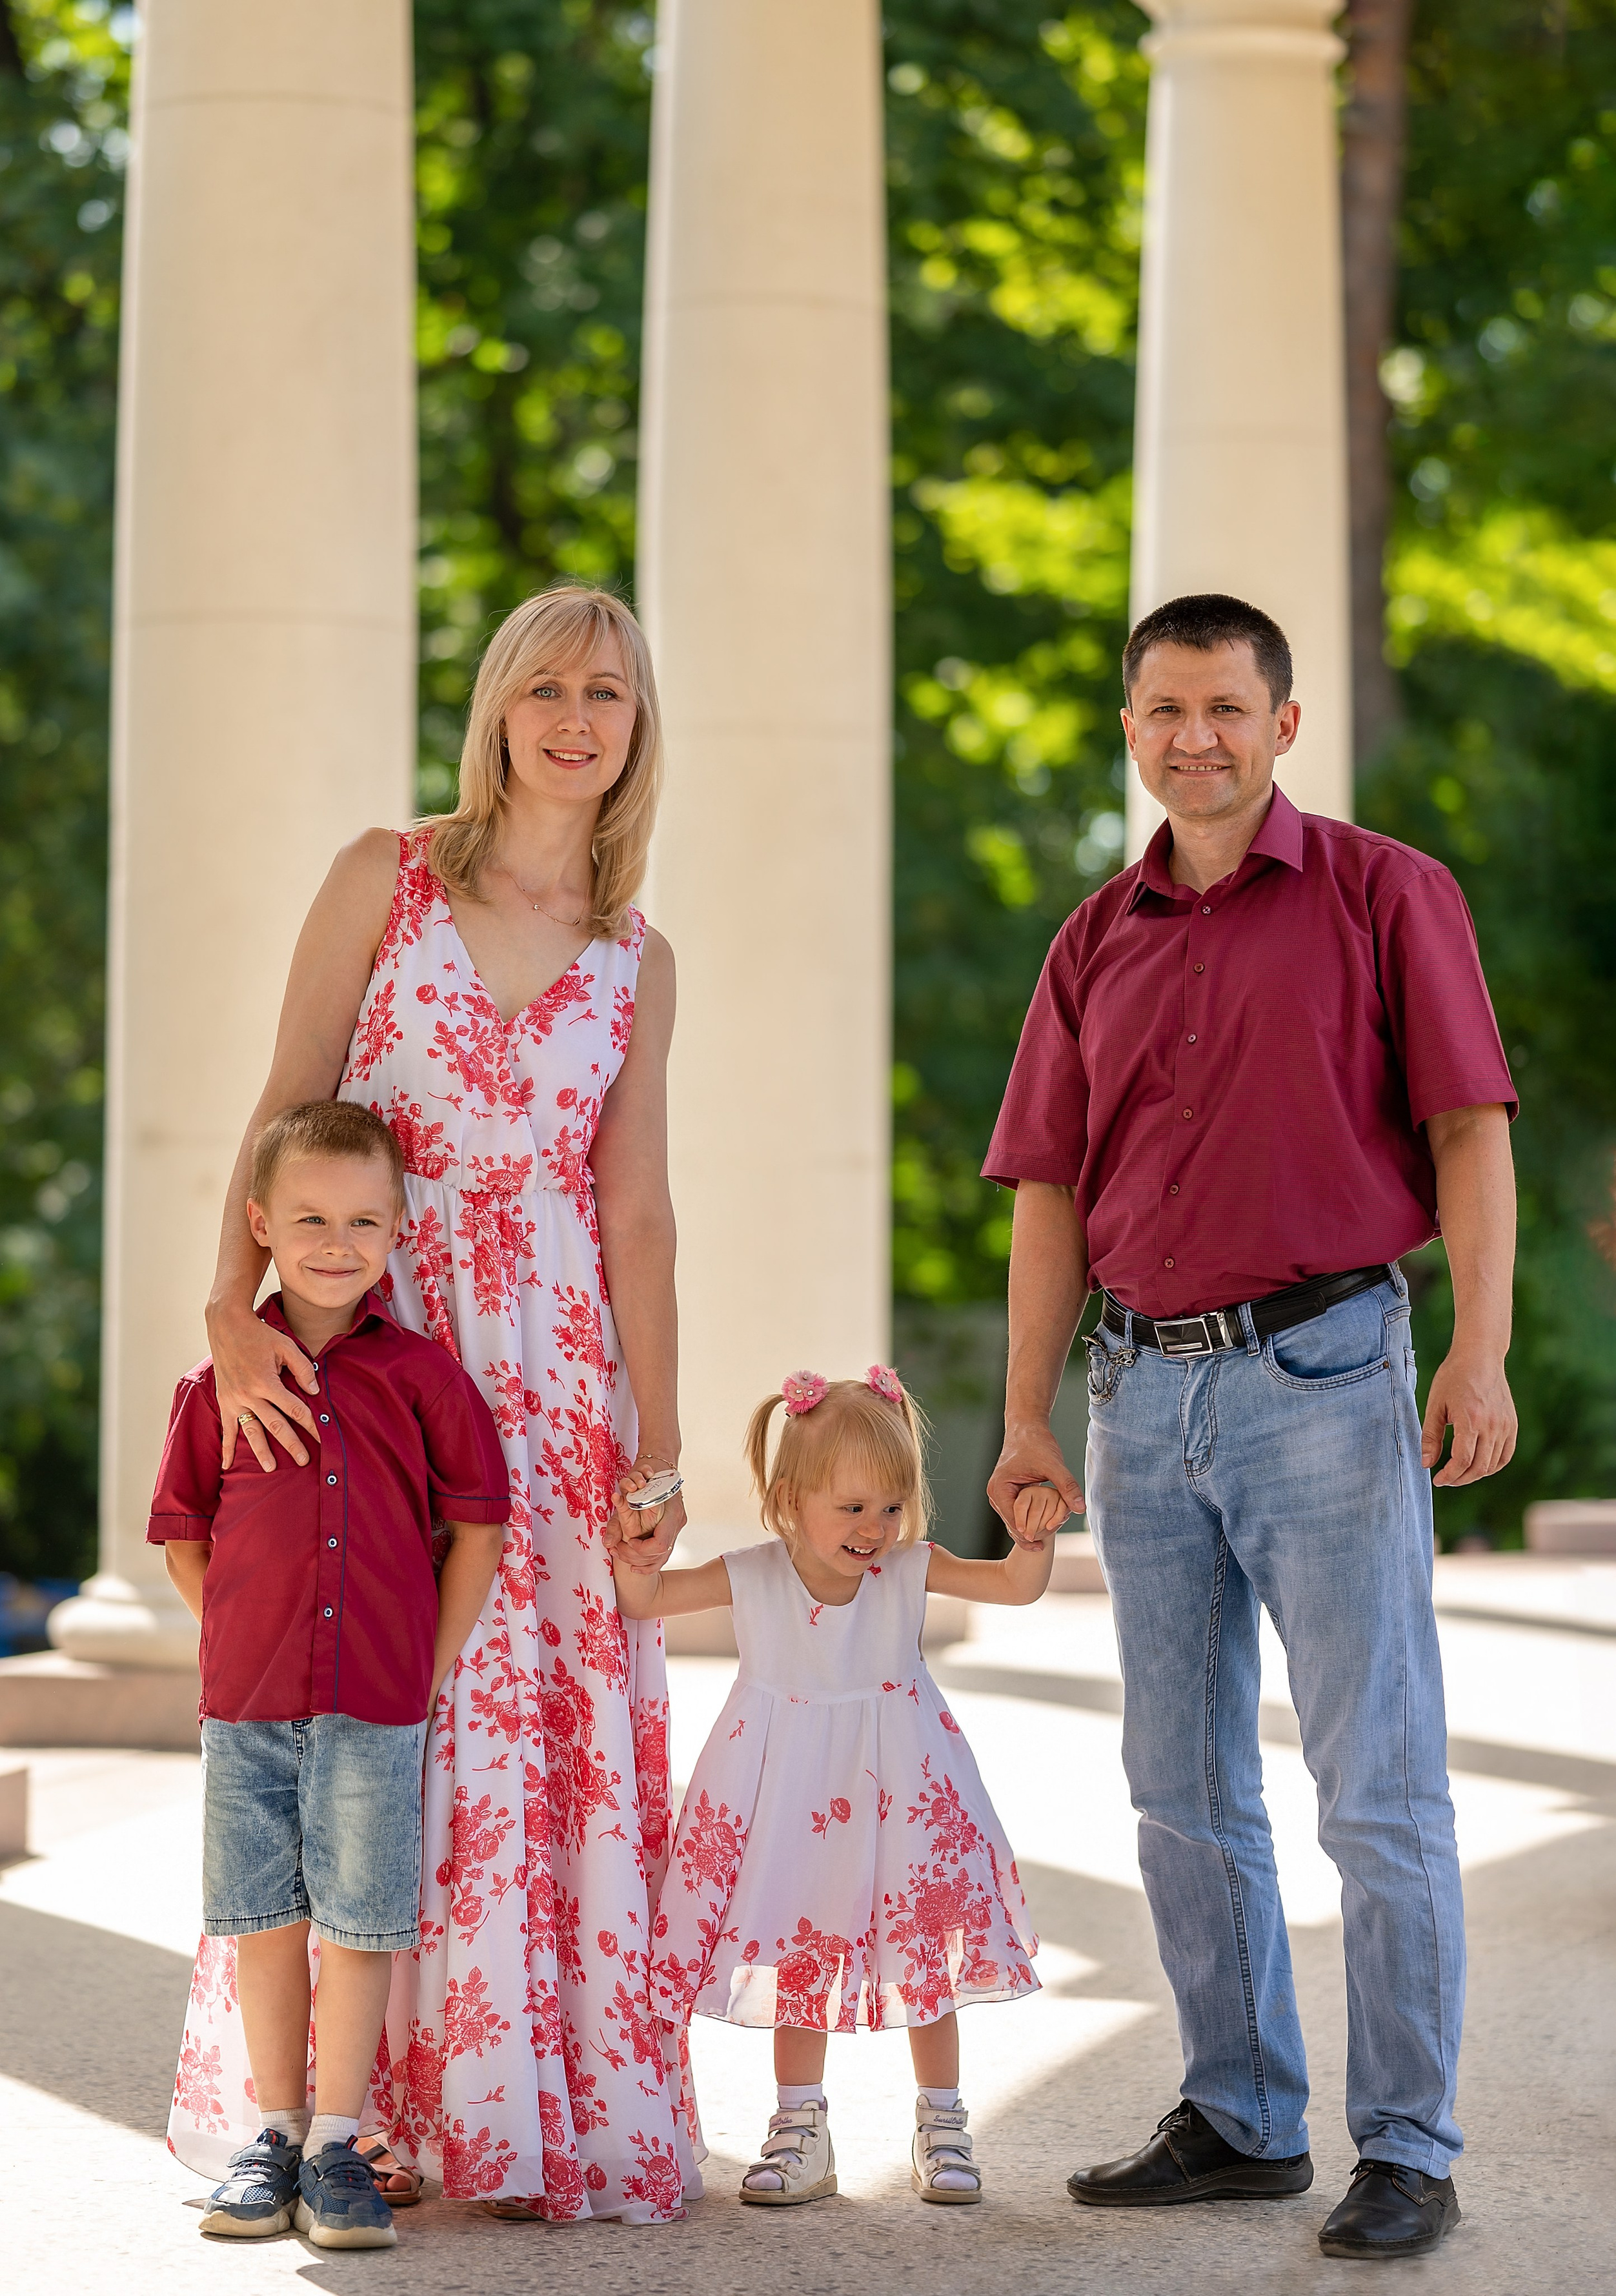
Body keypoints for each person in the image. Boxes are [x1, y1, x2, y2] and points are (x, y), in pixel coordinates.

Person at [983, 594, 1517, 2264]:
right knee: (1180, 1781)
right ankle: (1239, 2112)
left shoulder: (1384, 893)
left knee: (1377, 1782)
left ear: (1283, 723)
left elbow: (1470, 1129)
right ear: (1129, 725)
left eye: (1224, 705)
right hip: (1139, 1396)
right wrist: (1023, 1417)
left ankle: (1410, 2142)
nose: (1191, 735)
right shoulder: (1093, 938)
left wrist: (1481, 1354)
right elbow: (1051, 1192)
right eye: (1162, 707)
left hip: (1327, 1373)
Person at [163, 583, 700, 2223]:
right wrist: (229, 1315)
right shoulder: (384, 879)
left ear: (635, 727)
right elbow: (281, 1112)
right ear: (496, 707)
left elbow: (637, 1212)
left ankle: (518, 2110)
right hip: (369, 1339)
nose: (573, 718)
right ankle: (334, 2112)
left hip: (551, 1385)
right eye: (543, 687)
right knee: (360, 1708)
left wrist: (659, 1439)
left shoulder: (635, 957)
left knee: (530, 1722)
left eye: (606, 692)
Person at [152, 1101, 510, 2248]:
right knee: (264, 1920)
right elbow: (182, 1534)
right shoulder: (214, 1388)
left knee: (361, 1925)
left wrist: (434, 1657)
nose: (336, 1239)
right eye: (308, 1215)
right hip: (247, 1709)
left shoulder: (422, 1377)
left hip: (375, 1704)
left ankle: (336, 2145)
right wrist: (234, 1644)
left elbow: (481, 1525)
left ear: (399, 1229)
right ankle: (270, 2133)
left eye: (364, 1218)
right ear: (259, 1225)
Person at [612, 1367, 1062, 2208]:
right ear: (789, 1497)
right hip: (792, 1805)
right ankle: (800, 2123)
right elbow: (644, 1598)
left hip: (905, 1797)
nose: (874, 1527)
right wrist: (641, 1549)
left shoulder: (909, 1569)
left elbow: (1012, 1585)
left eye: (890, 1505)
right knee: (798, 1951)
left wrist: (1030, 1544)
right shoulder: (752, 1572)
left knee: (926, 1951)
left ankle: (942, 2119)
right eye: (851, 1507)